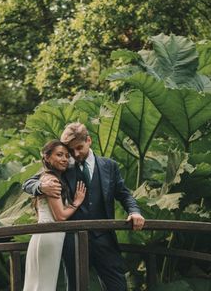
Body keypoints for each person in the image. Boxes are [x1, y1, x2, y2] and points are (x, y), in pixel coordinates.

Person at [23, 122, 145, 291]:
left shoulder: (109, 166)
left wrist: (134, 212)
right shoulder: (64, 165)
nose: (75, 154)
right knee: (76, 288)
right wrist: (40, 188)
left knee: (118, 287)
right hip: (73, 241)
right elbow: (29, 182)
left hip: (104, 239)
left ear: (89, 140)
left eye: (79, 147)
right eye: (70, 150)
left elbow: (124, 194)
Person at [23, 140, 86, 291]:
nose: (65, 159)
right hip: (50, 235)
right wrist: (76, 202)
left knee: (36, 284)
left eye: (66, 155)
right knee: (45, 285)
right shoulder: (51, 180)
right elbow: (60, 217)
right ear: (47, 157)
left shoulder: (46, 178)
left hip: (45, 235)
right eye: (59, 155)